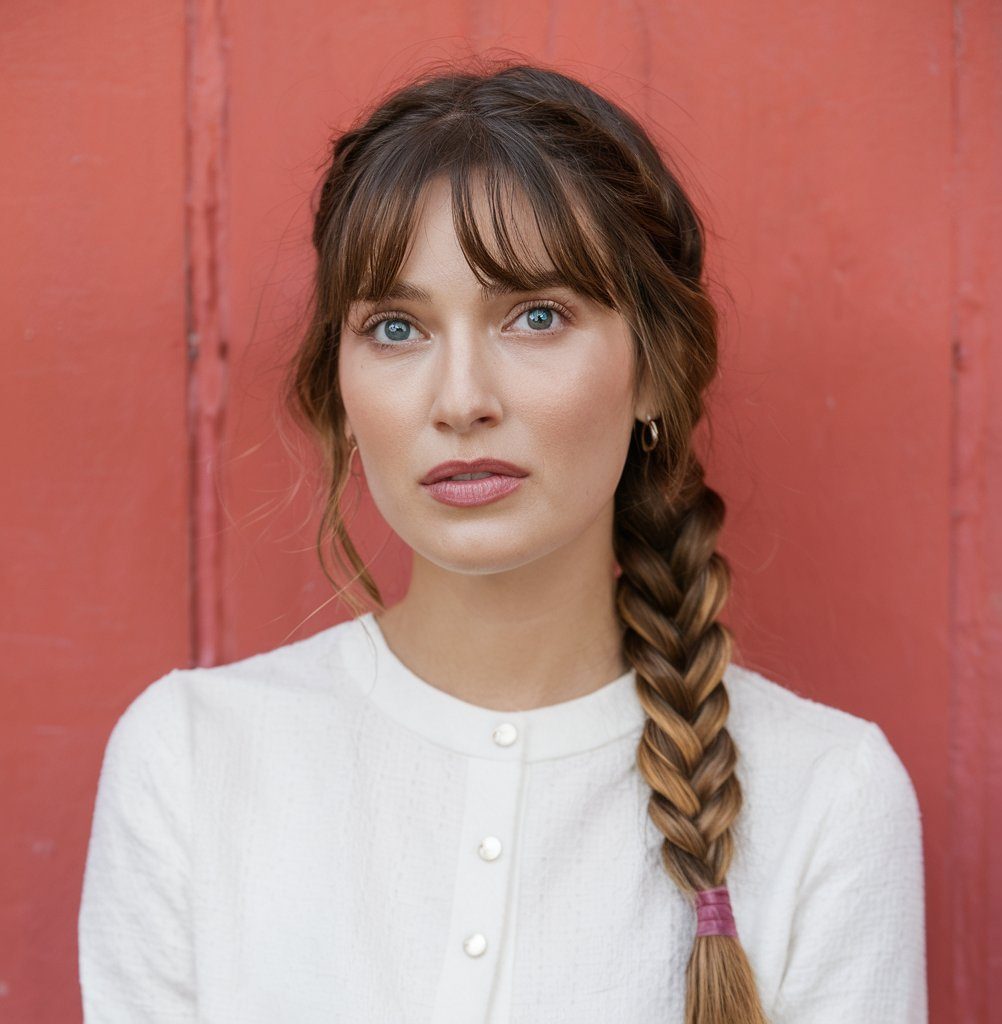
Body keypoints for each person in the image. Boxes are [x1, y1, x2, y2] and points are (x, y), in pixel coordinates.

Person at [78, 58, 927, 1023]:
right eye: (397, 329)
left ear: (656, 372)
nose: (461, 400)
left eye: (535, 316)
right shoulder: (192, 763)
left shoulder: (828, 799)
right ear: (344, 392)